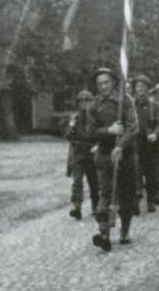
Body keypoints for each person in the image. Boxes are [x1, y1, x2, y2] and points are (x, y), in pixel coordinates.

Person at [89, 68, 139, 251]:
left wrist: (120, 145)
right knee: (106, 193)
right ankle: (104, 233)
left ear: (113, 83)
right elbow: (90, 131)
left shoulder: (125, 101)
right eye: (100, 83)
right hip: (104, 153)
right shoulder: (95, 105)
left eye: (106, 82)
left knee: (126, 194)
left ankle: (125, 229)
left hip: (124, 154)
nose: (103, 86)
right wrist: (108, 131)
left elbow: (134, 127)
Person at [132, 75, 159, 213]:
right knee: (135, 171)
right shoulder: (131, 104)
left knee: (150, 172)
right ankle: (136, 200)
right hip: (134, 142)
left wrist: (155, 134)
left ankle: (151, 199)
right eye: (137, 87)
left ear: (147, 88)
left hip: (149, 143)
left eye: (143, 87)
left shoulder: (154, 105)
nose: (140, 90)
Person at [66, 90, 99, 220]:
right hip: (78, 152)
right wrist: (72, 124)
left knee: (94, 181)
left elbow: (100, 134)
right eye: (81, 102)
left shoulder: (96, 118)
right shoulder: (75, 118)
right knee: (77, 180)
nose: (84, 104)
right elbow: (68, 135)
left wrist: (97, 145)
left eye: (87, 101)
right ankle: (77, 207)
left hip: (92, 151)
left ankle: (96, 207)